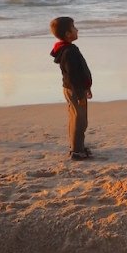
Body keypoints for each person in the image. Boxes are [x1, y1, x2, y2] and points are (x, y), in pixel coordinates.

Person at [49, 16, 93, 160]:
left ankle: (77, 146)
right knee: (79, 121)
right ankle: (76, 151)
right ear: (68, 34)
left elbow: (79, 72)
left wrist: (87, 87)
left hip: (76, 89)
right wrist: (80, 94)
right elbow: (73, 76)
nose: (77, 29)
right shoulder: (69, 52)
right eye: (74, 27)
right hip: (74, 90)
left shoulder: (68, 49)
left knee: (77, 118)